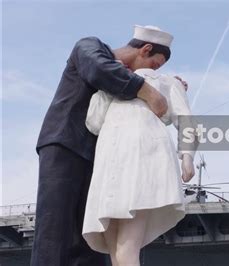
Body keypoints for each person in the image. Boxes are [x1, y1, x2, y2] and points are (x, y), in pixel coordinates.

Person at [32, 25, 185, 266]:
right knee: (56, 228)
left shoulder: (127, 78)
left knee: (92, 239)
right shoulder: (89, 46)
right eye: (155, 66)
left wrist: (164, 83)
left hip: (101, 157)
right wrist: (150, 92)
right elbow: (101, 70)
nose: (151, 71)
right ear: (145, 49)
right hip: (65, 144)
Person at [82, 68, 196, 265]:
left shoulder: (166, 81)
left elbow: (185, 118)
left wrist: (187, 155)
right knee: (116, 251)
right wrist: (107, 85)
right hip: (109, 163)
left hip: (142, 160)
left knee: (127, 247)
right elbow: (94, 122)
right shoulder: (111, 85)